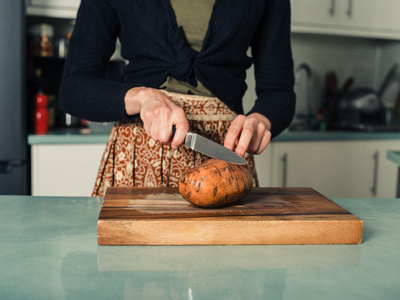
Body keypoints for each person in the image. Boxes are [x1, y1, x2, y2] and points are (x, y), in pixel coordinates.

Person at [59, 0, 296, 196]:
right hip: (137, 151)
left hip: (223, 158)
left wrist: (261, 120)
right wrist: (141, 97)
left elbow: (279, 92)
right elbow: (74, 88)